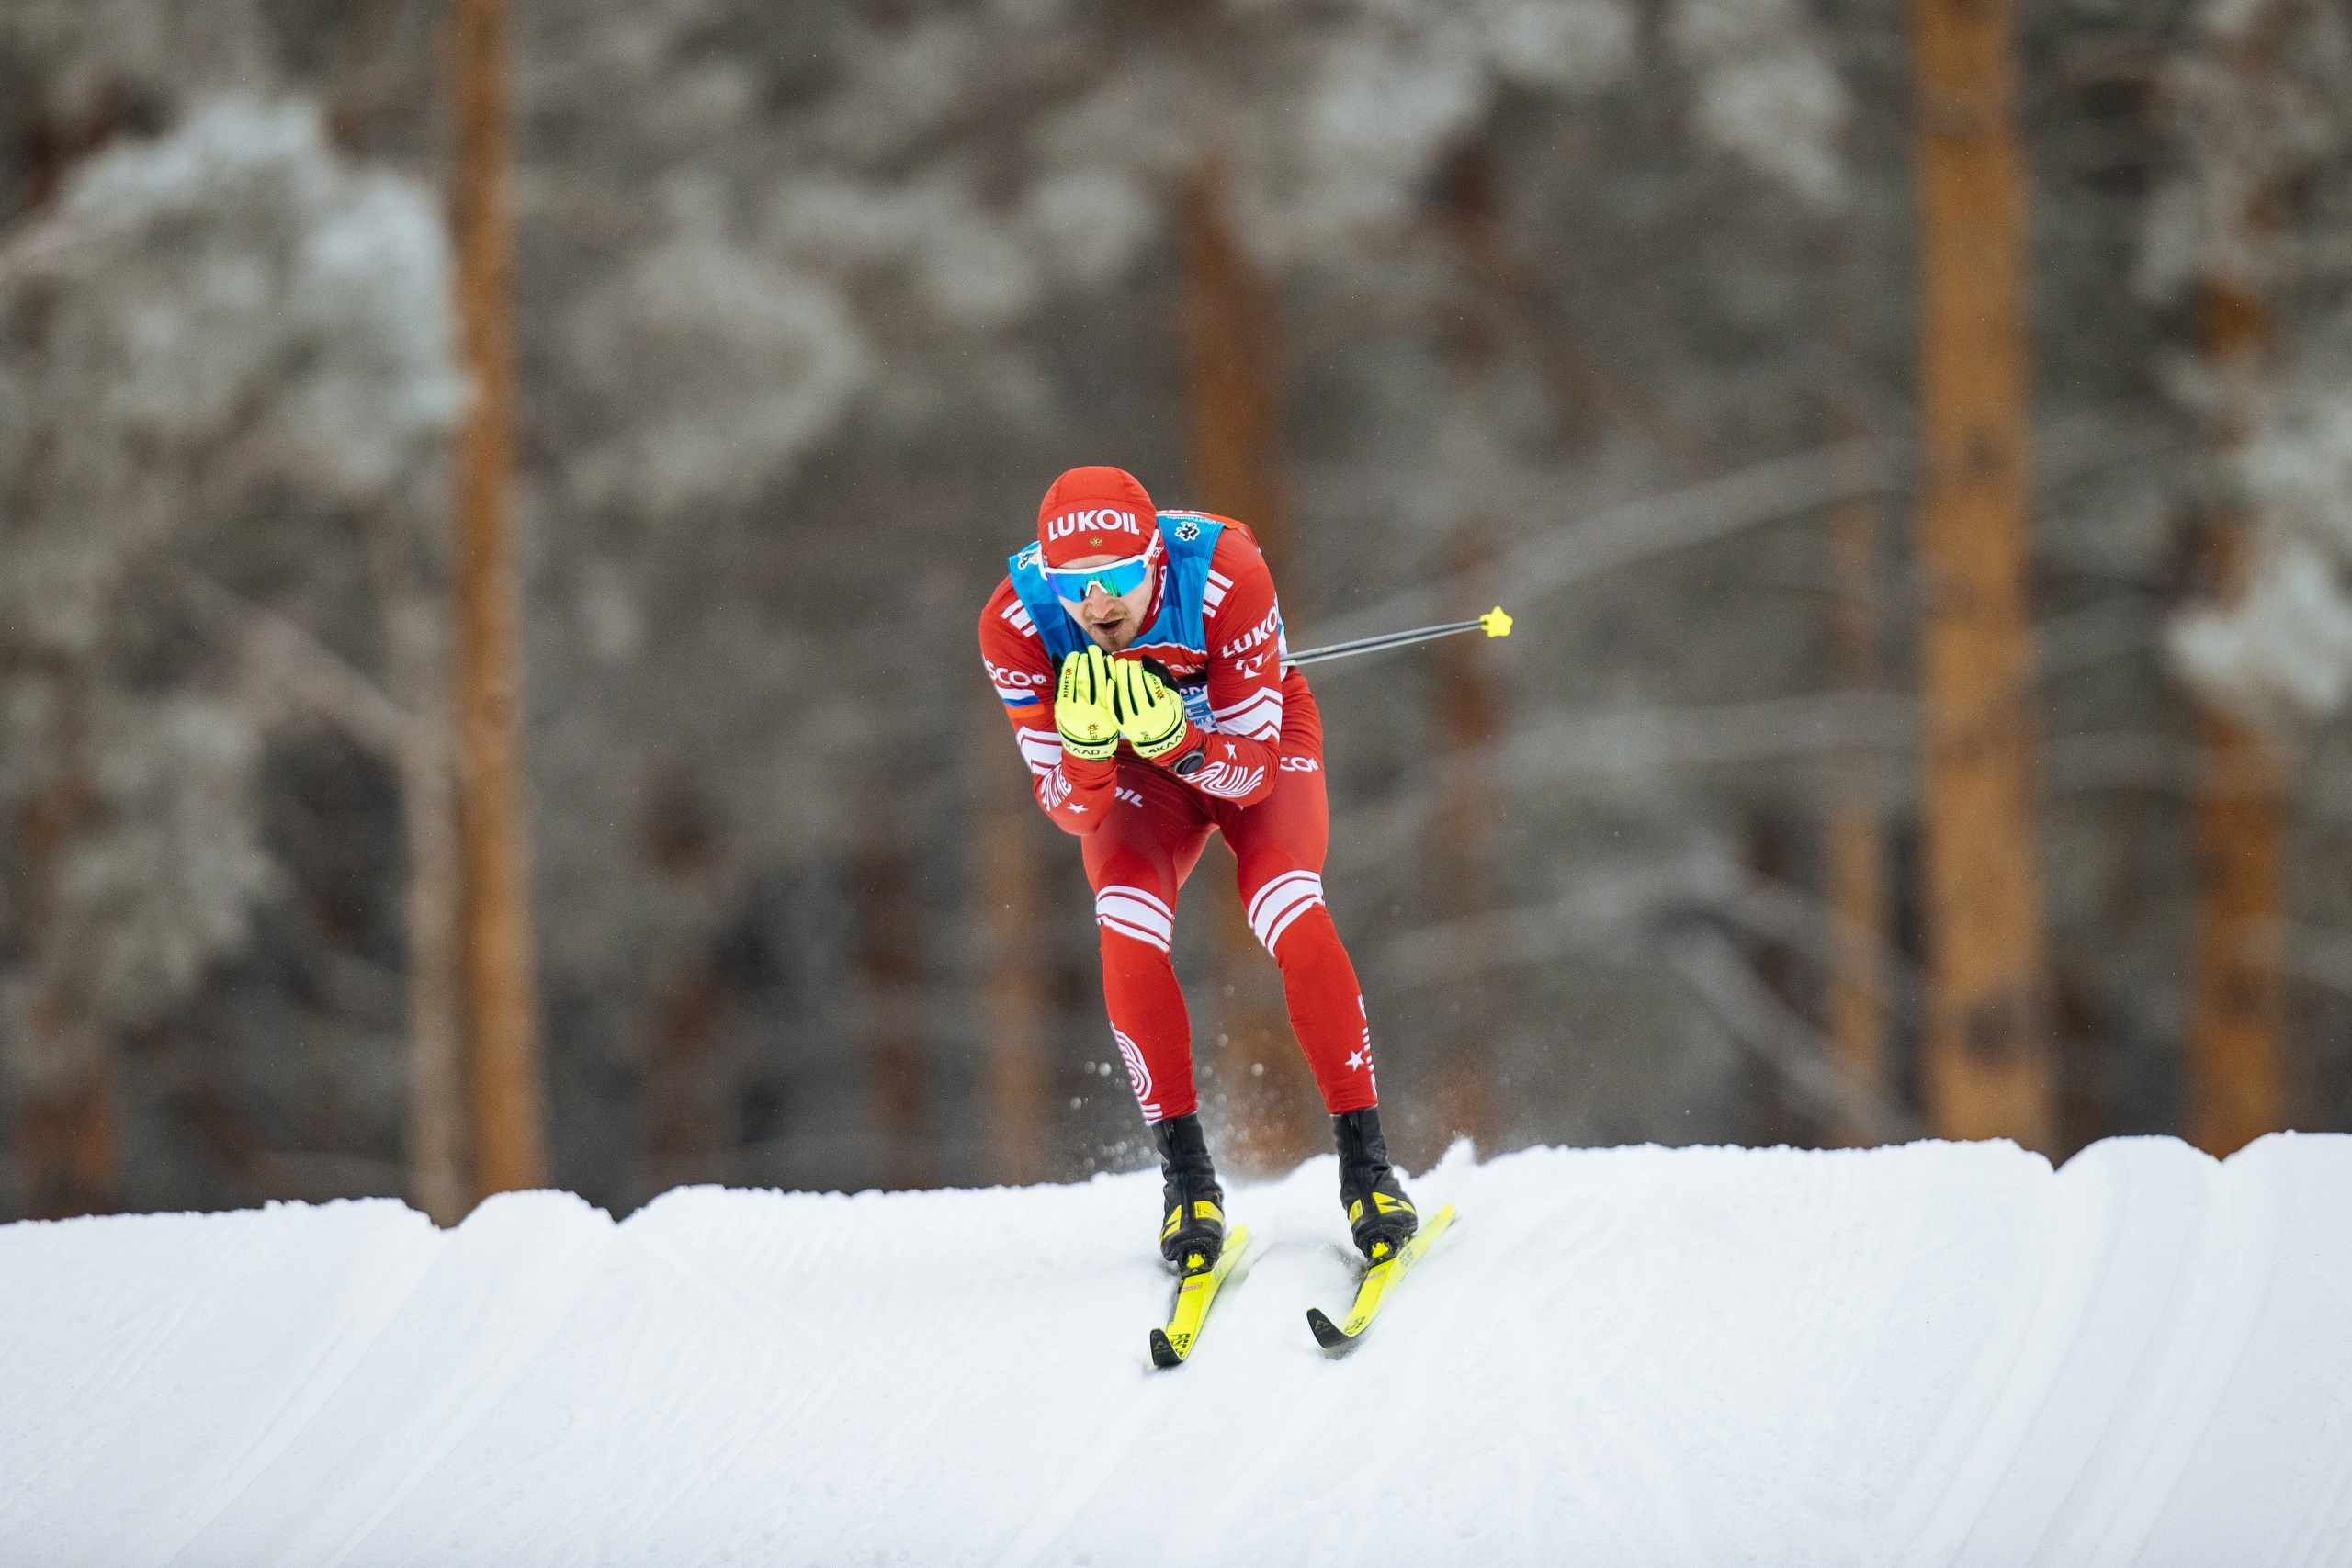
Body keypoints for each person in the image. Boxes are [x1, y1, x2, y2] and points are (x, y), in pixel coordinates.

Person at [978, 465, 1418, 1273]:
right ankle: (1188, 1182)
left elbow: (1250, 775)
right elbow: (1070, 812)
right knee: (1125, 927)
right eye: (1074, 585)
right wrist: (1085, 758)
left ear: (1151, 557)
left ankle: (1368, 1165)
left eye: (1114, 578)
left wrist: (1178, 739)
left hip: (1252, 741)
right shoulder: (1015, 621)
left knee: (1286, 901)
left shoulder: (1224, 573)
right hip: (1135, 778)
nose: (1097, 605)